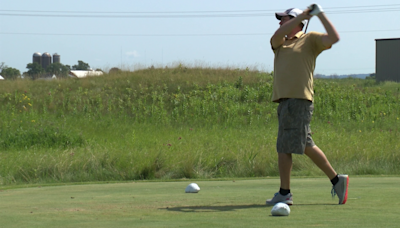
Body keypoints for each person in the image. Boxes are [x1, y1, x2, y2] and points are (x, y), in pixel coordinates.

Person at [266, 4, 349, 205]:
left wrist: (319, 15)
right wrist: (301, 15)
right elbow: (279, 33)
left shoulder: (309, 39)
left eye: (284, 19)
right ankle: (338, 181)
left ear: (296, 22)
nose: (280, 22)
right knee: (305, 144)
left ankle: (285, 193)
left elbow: (334, 38)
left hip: (299, 100)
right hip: (285, 101)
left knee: (284, 147)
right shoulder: (279, 42)